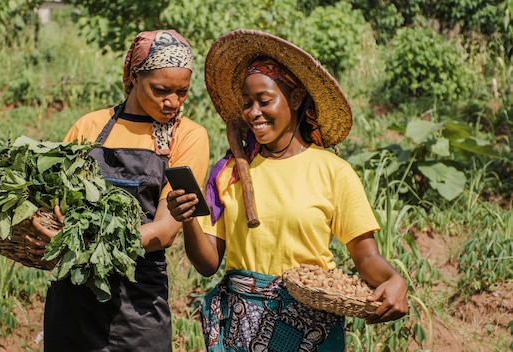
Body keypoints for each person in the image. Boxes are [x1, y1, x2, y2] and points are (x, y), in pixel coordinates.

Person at [166, 29, 408, 351]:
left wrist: (394, 280)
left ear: (294, 100)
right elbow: (208, 263)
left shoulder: (333, 171)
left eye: (264, 101)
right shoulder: (230, 173)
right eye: (247, 103)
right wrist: (187, 220)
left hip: (311, 330)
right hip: (242, 328)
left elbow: (366, 256)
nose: (253, 113)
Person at [22, 29, 209, 351]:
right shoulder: (90, 127)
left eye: (182, 92)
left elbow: (164, 231)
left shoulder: (188, 136)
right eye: (161, 90)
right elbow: (55, 201)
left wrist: (84, 243)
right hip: (75, 292)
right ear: (134, 77)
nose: (172, 102)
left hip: (137, 300)